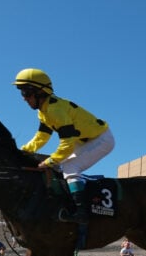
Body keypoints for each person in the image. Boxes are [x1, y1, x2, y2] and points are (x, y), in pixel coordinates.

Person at [13, 68, 115, 224]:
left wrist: (49, 161)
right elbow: (41, 137)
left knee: (70, 167)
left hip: (102, 139)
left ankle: (81, 213)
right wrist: (22, 151)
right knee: (61, 168)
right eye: (22, 93)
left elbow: (66, 145)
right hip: (84, 141)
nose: (24, 98)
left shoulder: (55, 110)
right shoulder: (44, 111)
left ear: (40, 92)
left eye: (26, 93)